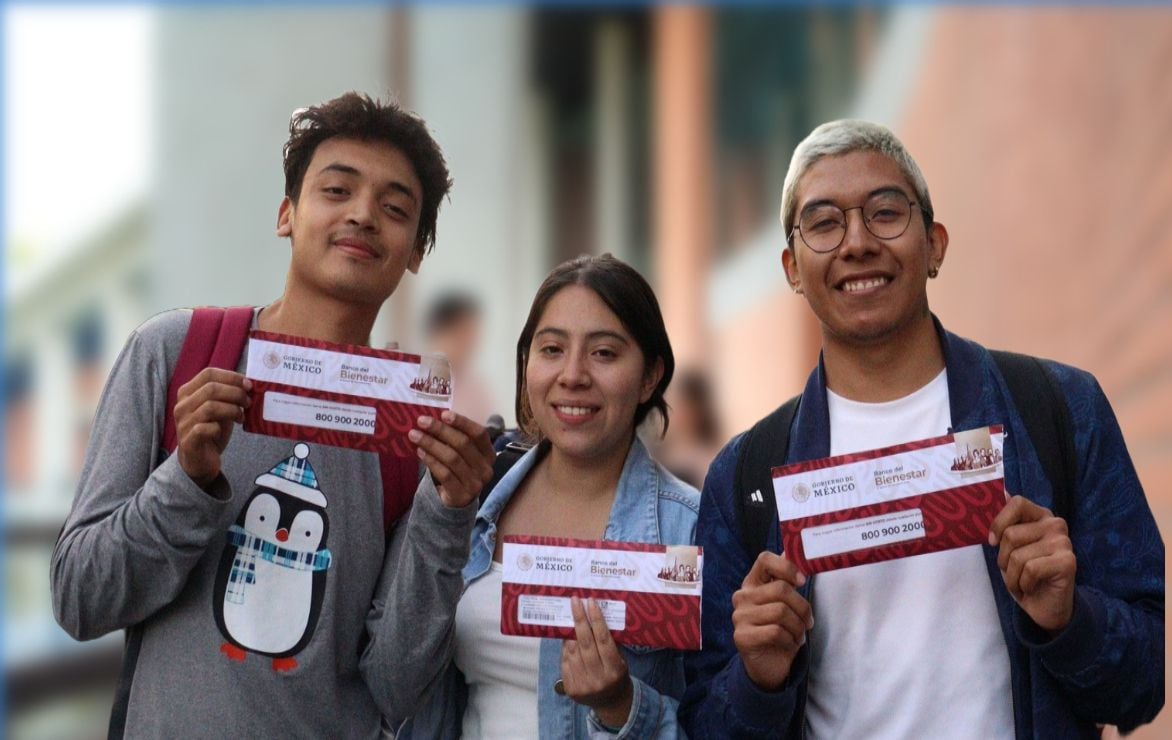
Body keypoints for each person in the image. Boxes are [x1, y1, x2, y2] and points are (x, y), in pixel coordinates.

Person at [679, 120, 1164, 738]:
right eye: (824, 223)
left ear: (934, 246)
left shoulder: (1060, 410)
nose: (857, 242)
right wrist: (758, 680)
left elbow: (1148, 679)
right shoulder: (745, 476)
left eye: (885, 213)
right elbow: (704, 721)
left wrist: (1069, 620)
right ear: (792, 268)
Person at [50, 92, 496, 738]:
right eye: (337, 190)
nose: (363, 215)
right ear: (287, 214)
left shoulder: (409, 428)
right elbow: (81, 600)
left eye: (395, 208)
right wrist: (188, 478)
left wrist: (448, 513)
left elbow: (395, 683)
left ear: (416, 251)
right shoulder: (178, 354)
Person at [403, 254, 699, 738]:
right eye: (551, 349)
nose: (573, 375)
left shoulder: (690, 529)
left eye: (604, 353)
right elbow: (400, 676)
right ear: (527, 364)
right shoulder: (472, 500)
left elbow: (722, 723)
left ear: (650, 375)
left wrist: (622, 708)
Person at [423, 290, 497, 423]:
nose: (471, 343)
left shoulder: (477, 390)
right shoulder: (411, 376)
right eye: (460, 335)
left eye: (472, 335)